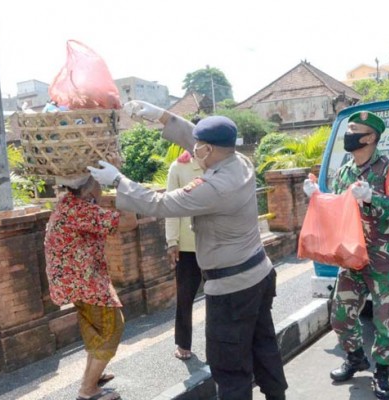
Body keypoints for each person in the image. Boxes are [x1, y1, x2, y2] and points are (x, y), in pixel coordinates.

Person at [88, 100, 288, 400]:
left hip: (232, 289)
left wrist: (118, 181)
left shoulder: (217, 186)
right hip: (258, 274)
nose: (194, 150)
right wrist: (161, 115)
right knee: (263, 345)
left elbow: (162, 204)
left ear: (208, 150)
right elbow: (198, 135)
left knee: (230, 366)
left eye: (200, 147)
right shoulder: (238, 161)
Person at [304, 110, 389, 400]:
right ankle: (355, 358)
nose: (348, 134)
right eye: (348, 129)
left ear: (371, 137)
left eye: (354, 129)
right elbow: (338, 209)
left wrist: (371, 197)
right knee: (340, 315)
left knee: (385, 319)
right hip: (351, 256)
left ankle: (383, 372)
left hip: (382, 257)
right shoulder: (344, 170)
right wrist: (317, 197)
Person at [44, 175, 137, 400]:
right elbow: (129, 223)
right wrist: (124, 185)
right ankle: (88, 390)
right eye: (98, 184)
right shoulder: (80, 210)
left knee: (97, 329)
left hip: (76, 280)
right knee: (111, 329)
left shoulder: (69, 203)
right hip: (84, 282)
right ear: (89, 189)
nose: (101, 188)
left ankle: (94, 375)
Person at [165, 150, 203, 360]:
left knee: (222, 295)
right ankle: (183, 343)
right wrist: (172, 241)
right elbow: (171, 206)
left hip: (216, 243)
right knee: (185, 297)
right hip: (188, 246)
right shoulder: (179, 167)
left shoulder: (222, 164)